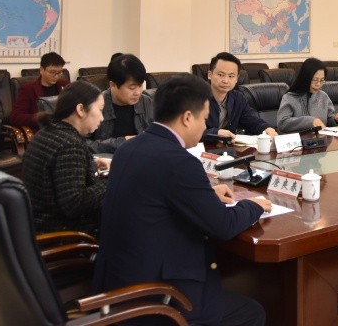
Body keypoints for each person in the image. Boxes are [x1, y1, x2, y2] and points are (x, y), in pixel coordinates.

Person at [93, 75, 271, 326]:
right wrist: (253, 205)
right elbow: (223, 225)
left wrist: (206, 195)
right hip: (157, 294)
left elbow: (159, 195)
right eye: (204, 119)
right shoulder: (179, 161)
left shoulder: (128, 148)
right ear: (187, 118)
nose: (205, 126)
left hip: (119, 280)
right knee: (251, 312)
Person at [21, 81, 109, 235]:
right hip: (64, 234)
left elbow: (58, 173)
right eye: (100, 110)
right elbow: (75, 204)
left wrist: (90, 164)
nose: (102, 118)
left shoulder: (47, 132)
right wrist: (113, 179)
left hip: (37, 225)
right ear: (81, 109)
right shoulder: (70, 144)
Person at [87, 53, 152, 153]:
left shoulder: (146, 102)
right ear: (113, 85)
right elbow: (80, 143)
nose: (138, 92)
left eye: (140, 86)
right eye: (132, 88)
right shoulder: (95, 105)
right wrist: (119, 143)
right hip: (107, 160)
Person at [206, 52, 277, 139]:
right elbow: (190, 132)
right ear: (210, 75)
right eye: (220, 75)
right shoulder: (195, 99)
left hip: (228, 146)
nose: (225, 80)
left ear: (236, 78)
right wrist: (215, 133)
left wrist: (266, 128)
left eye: (231, 76)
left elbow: (251, 120)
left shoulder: (238, 98)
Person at [277, 58, 338, 133]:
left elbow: (328, 121)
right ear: (305, 78)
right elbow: (282, 123)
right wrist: (310, 121)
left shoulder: (323, 96)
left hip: (321, 138)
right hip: (299, 140)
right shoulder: (289, 98)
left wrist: (335, 119)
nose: (318, 84)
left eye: (322, 80)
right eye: (315, 80)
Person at [9, 51, 70, 129]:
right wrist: (40, 117)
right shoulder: (28, 90)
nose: (56, 76)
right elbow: (15, 117)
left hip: (63, 128)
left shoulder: (65, 85)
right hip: (42, 130)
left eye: (59, 73)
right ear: (41, 70)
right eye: (52, 72)